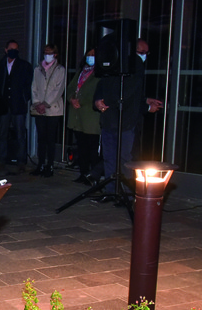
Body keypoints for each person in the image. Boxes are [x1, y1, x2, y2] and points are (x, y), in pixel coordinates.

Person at [92, 39, 163, 203]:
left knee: (124, 159)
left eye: (146, 53)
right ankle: (113, 191)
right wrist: (97, 101)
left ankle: (126, 192)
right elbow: (112, 90)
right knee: (111, 157)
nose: (143, 57)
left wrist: (145, 102)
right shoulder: (123, 65)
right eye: (141, 52)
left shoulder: (133, 66)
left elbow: (131, 95)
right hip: (113, 119)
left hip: (124, 121)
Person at [0, 39, 33, 172]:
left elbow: (28, 85)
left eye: (16, 49)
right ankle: (1, 159)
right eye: (11, 49)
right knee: (3, 133)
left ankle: (21, 161)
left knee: (20, 133)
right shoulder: (0, 66)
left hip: (18, 105)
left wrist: (24, 97)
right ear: (5, 50)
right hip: (4, 105)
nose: (13, 52)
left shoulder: (24, 66)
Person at [30, 43, 66, 177]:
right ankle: (40, 164)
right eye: (45, 52)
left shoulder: (60, 70)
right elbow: (33, 87)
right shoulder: (37, 69)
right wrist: (37, 103)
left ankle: (50, 165)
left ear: (55, 54)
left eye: (50, 52)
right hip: (39, 109)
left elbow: (58, 90)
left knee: (50, 139)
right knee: (41, 139)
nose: (47, 55)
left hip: (53, 110)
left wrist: (45, 104)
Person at [66, 48, 101, 185]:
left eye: (94, 55)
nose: (90, 57)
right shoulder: (81, 72)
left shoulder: (98, 74)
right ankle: (83, 173)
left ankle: (93, 175)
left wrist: (82, 101)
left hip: (90, 117)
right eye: (89, 55)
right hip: (77, 117)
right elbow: (70, 88)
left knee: (92, 148)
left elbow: (96, 93)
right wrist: (71, 98)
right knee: (82, 147)